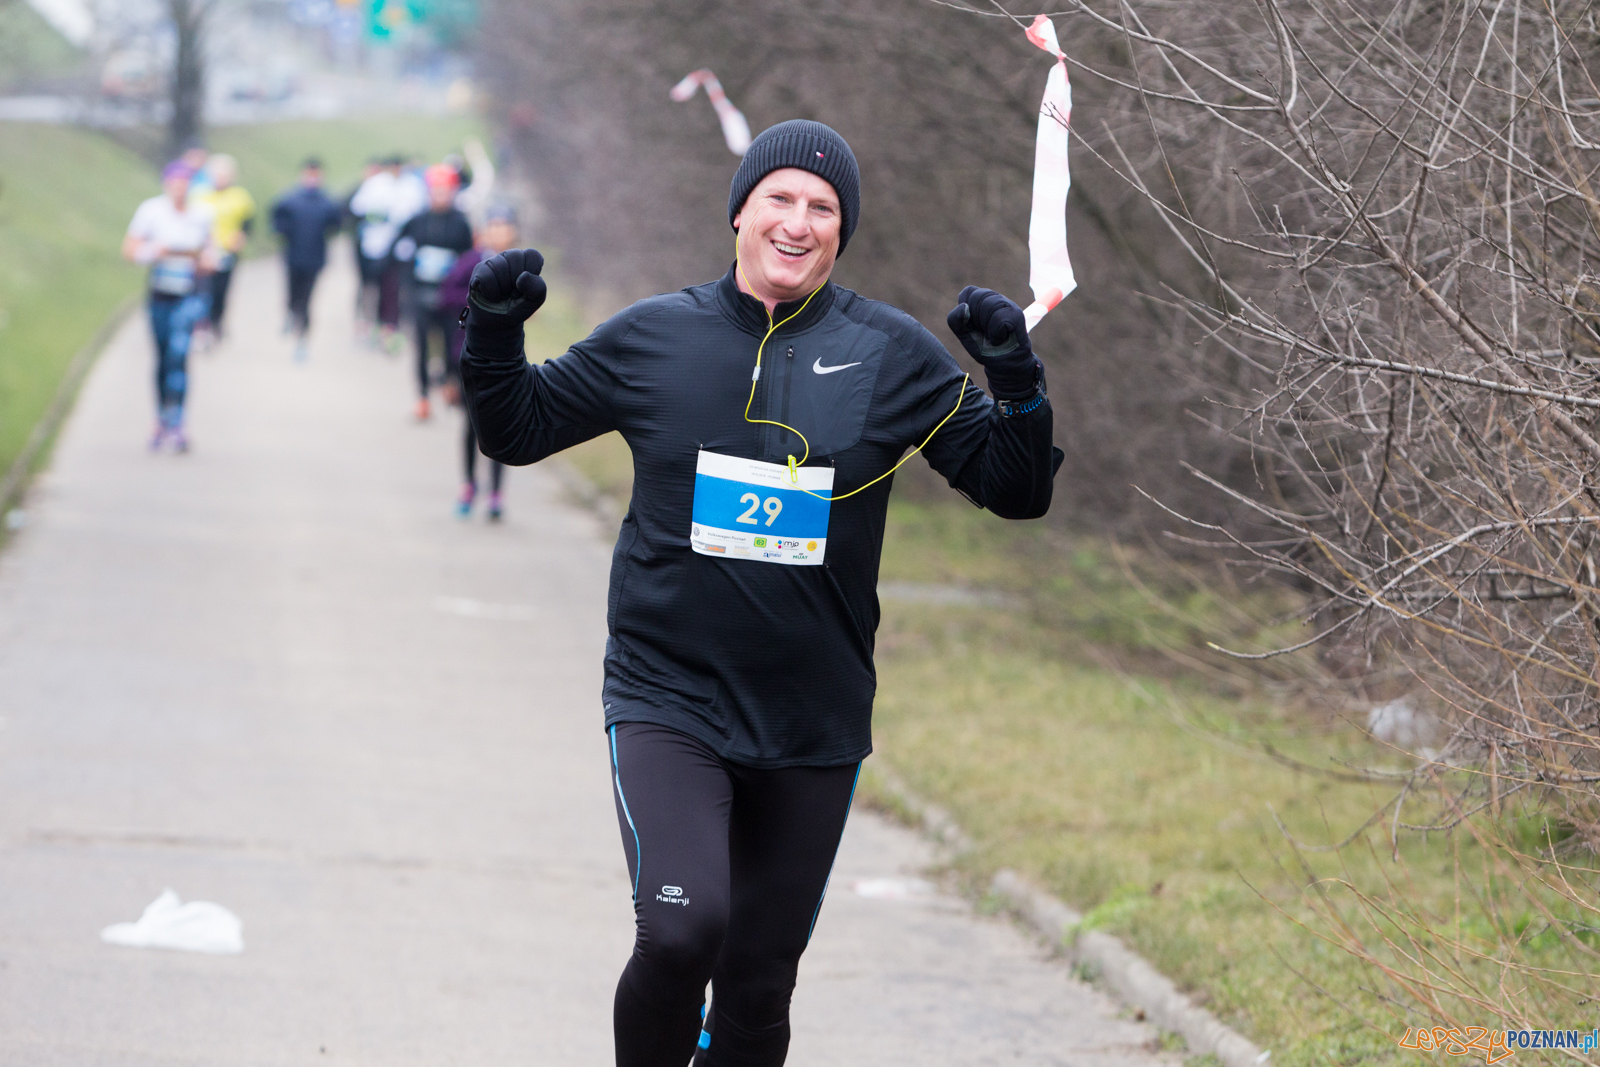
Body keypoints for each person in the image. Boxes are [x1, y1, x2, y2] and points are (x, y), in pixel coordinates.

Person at [461, 120, 1061, 1066]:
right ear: (740, 210)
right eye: (779, 197)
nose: (799, 221)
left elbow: (1015, 490)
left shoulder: (890, 354)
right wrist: (492, 330)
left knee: (756, 989)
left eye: (823, 208)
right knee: (681, 931)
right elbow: (519, 426)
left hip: (811, 721)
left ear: (841, 232)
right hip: (669, 697)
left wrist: (1018, 381)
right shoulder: (660, 335)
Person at [122, 160, 216, 452]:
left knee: (180, 355)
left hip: (189, 296)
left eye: (185, 183)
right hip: (160, 294)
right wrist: (154, 251)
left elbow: (211, 251)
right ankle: (160, 418)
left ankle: (178, 422)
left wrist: (207, 261)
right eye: (175, 183)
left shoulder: (202, 215)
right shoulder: (151, 211)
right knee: (163, 357)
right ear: (166, 184)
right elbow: (130, 250)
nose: (180, 189)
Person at [437, 203, 518, 519]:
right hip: (471, 359)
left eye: (504, 225)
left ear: (513, 231)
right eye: (493, 225)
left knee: (502, 428)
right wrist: (478, 301)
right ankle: (469, 485)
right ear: (483, 231)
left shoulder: (519, 265)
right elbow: (446, 297)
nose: (498, 232)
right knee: (472, 427)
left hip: (507, 360)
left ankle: (497, 493)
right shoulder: (471, 262)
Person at [395, 163, 473, 421]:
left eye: (445, 190)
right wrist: (407, 285)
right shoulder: (416, 221)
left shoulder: (462, 224)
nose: (440, 195)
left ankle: (451, 381)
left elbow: (469, 260)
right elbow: (401, 252)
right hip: (420, 294)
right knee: (422, 347)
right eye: (436, 190)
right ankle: (423, 397)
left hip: (450, 298)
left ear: (453, 192)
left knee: (454, 344)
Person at [349, 155, 426, 353]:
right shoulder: (375, 184)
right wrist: (380, 216)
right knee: (371, 288)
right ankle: (369, 324)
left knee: (393, 289)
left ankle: (389, 328)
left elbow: (418, 212)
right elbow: (358, 209)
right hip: (374, 247)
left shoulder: (412, 186)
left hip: (401, 249)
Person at [270, 158, 343, 361]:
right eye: (309, 174)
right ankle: (291, 315)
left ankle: (302, 341)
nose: (312, 178)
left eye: (316, 174)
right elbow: (276, 221)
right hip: (293, 258)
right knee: (292, 296)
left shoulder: (327, 202)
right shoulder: (289, 200)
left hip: (315, 260)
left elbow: (336, 225)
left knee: (307, 302)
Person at [195, 153, 256, 339]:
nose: (220, 179)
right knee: (204, 289)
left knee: (222, 290)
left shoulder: (240, 196)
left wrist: (241, 236)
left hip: (228, 252)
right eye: (217, 174)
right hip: (204, 253)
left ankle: (217, 322)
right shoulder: (200, 195)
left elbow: (248, 221)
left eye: (224, 175)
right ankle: (202, 324)